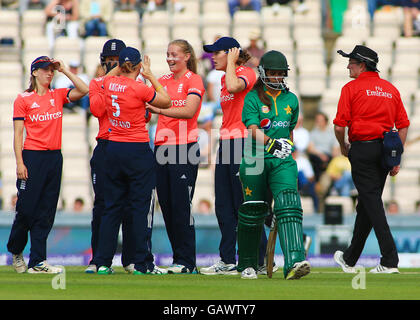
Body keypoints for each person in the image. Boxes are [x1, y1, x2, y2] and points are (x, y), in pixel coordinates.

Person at [333, 45, 410, 274]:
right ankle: (350, 258)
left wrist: (343, 146)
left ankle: (389, 259)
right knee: (367, 204)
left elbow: (339, 126)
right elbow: (403, 125)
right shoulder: (390, 89)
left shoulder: (351, 88)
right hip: (384, 152)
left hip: (363, 150)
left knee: (372, 204)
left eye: (351, 62)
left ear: (362, 65)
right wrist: (396, 155)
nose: (348, 66)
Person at [94, 47, 171, 275]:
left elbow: (103, 80)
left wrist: (118, 69)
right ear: (138, 66)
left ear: (120, 65)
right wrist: (150, 76)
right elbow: (166, 101)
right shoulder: (141, 88)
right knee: (139, 208)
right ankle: (139, 263)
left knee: (111, 208)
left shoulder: (109, 84)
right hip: (136, 149)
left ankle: (102, 262)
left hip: (114, 148)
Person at [8, 56, 88, 274]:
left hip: (54, 157)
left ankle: (38, 261)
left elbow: (84, 89)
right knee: (26, 210)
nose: (49, 73)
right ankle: (16, 250)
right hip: (32, 157)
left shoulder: (57, 95)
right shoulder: (23, 99)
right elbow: (18, 133)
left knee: (46, 211)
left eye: (51, 70)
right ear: (34, 72)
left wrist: (65, 70)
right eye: (45, 70)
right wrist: (19, 162)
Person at [236, 50, 310, 280]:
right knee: (253, 210)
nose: (277, 77)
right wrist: (271, 144)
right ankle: (247, 264)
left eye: (281, 74)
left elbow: (289, 131)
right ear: (263, 73)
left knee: (289, 202)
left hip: (282, 160)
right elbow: (253, 129)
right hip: (255, 158)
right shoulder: (253, 97)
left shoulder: (291, 99)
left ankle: (294, 261)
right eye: (273, 73)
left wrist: (286, 147)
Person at [199, 36, 267, 276]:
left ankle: (260, 259)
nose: (212, 57)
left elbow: (237, 87)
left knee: (244, 204)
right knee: (224, 205)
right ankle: (227, 259)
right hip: (227, 143)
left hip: (244, 144)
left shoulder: (246, 73)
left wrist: (231, 62)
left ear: (230, 53)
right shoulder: (223, 78)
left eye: (217, 53)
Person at [146, 39, 205, 274]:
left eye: (174, 54)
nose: (170, 58)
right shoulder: (162, 81)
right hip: (162, 147)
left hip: (185, 147)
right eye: (167, 54)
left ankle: (187, 261)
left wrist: (159, 109)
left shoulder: (194, 80)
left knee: (182, 206)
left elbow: (189, 111)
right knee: (168, 206)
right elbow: (147, 113)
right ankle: (178, 259)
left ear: (187, 56)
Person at [307, 111, 339, 182]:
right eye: (317, 120)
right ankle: (318, 183)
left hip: (328, 155)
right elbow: (310, 148)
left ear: (325, 121)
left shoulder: (331, 133)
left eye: (320, 120)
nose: (318, 122)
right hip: (316, 155)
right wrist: (321, 155)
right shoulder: (313, 133)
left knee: (333, 162)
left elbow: (335, 147)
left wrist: (334, 156)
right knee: (317, 161)